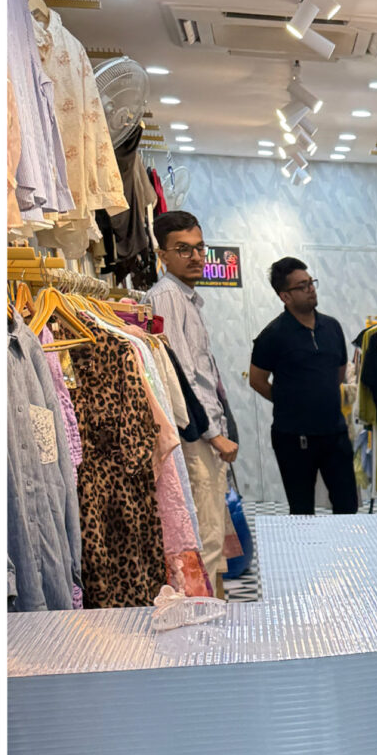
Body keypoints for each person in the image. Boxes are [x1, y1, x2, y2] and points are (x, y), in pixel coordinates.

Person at [149, 209, 239, 593]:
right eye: (183, 249)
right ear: (162, 255)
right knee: (206, 536)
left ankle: (215, 609)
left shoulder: (186, 298)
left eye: (200, 248)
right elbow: (182, 377)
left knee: (213, 529)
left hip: (204, 433)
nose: (196, 257)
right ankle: (208, 619)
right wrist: (214, 435)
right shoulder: (167, 297)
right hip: (197, 437)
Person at [250, 256, 357, 514]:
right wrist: (289, 401)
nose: (311, 289)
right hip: (293, 437)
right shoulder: (272, 335)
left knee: (347, 506)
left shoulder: (332, 327)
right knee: (302, 512)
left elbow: (339, 370)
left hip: (334, 433)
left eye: (311, 282)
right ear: (285, 296)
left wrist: (320, 396)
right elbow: (257, 380)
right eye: (302, 285)